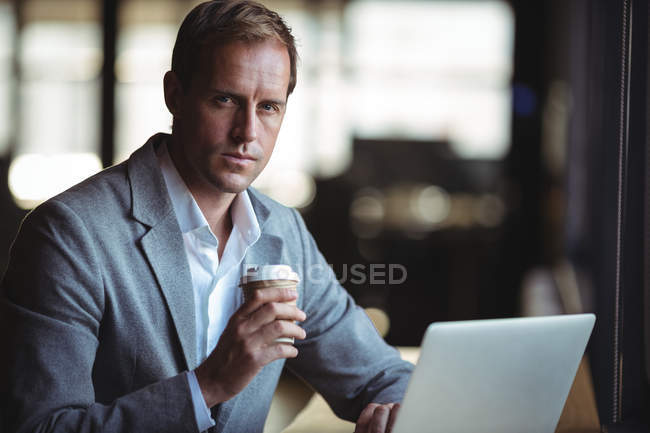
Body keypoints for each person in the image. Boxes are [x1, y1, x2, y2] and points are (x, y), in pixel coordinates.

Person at [0, 1, 413, 432]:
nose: (247, 132)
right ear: (175, 96)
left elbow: (382, 375)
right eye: (225, 99)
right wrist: (208, 385)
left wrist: (396, 407)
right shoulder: (69, 235)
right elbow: (40, 427)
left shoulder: (282, 231)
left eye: (268, 107)